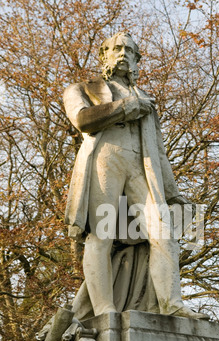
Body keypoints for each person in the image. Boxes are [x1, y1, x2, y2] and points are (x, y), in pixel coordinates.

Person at [63, 31, 209, 320]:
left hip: (142, 167)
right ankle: (105, 310)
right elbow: (82, 120)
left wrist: (173, 193)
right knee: (100, 236)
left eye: (129, 50)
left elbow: (160, 151)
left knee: (164, 234)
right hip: (105, 160)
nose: (122, 54)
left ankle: (171, 303)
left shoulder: (146, 100)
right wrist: (126, 108)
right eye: (116, 49)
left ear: (136, 59)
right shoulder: (82, 87)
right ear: (104, 56)